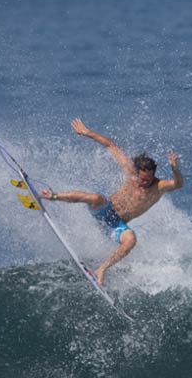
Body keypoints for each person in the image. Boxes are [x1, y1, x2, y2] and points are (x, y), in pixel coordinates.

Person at [39, 118, 183, 285]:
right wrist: (86, 132)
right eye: (142, 179)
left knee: (131, 239)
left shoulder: (158, 186)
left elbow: (177, 184)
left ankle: (101, 269)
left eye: (149, 179)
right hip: (104, 209)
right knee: (96, 198)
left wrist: (175, 168)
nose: (145, 182)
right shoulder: (130, 171)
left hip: (116, 225)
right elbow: (110, 145)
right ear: (136, 172)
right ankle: (52, 196)